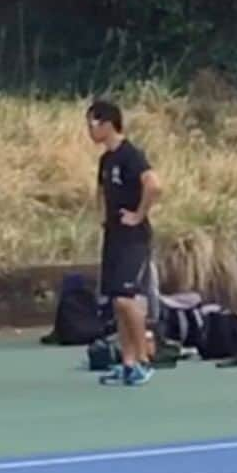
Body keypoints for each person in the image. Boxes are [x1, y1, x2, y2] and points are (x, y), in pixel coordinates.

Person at [86, 97, 162, 387]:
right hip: (114, 236)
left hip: (134, 238)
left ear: (107, 124)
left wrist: (138, 215)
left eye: (92, 124)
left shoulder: (131, 154)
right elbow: (101, 193)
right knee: (116, 303)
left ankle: (143, 359)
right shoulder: (106, 159)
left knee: (125, 299)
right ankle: (127, 362)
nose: (89, 131)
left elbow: (154, 185)